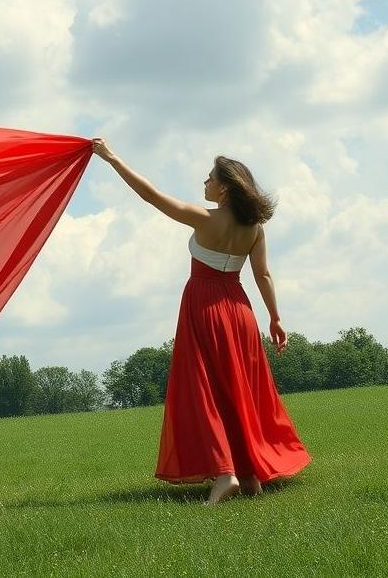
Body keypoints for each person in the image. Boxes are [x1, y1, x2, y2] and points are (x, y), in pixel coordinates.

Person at [91, 137, 312, 506]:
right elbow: (263, 275)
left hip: (205, 307)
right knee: (239, 390)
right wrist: (275, 318)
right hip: (240, 311)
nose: (205, 182)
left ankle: (225, 474)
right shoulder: (255, 228)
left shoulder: (205, 218)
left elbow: (152, 196)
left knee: (205, 391)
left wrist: (111, 158)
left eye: (210, 177)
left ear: (224, 187)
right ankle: (248, 474)